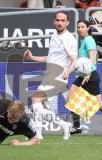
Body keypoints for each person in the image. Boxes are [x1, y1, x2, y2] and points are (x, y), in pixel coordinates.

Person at [24, 11, 78, 140]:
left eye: (63, 20)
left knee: (35, 99)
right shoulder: (54, 35)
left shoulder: (69, 39)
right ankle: (41, 133)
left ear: (68, 22)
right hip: (50, 75)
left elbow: (74, 59)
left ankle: (58, 127)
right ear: (54, 21)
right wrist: (32, 57)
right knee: (39, 107)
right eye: (58, 20)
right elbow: (50, 58)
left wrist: (68, 71)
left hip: (59, 77)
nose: (60, 23)